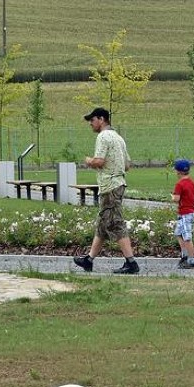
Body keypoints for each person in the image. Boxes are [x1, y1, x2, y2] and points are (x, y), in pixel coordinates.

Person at [73, 107, 140, 274]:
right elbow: (127, 165)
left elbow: (100, 161)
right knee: (103, 225)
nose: (90, 123)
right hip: (119, 183)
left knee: (116, 223)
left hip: (109, 186)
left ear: (101, 119)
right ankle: (89, 260)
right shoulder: (118, 138)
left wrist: (89, 161)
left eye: (92, 120)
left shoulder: (103, 137)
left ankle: (131, 263)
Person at [171, 158, 194, 269]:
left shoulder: (179, 184)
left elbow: (176, 199)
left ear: (178, 171)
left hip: (185, 213)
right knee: (178, 233)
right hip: (190, 212)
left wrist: (172, 197)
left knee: (187, 237)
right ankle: (184, 255)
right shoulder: (191, 182)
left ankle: (190, 260)